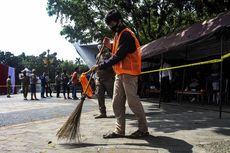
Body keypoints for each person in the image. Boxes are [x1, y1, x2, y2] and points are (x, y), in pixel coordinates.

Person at [91, 9, 149, 139]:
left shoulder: (127, 34)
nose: (111, 27)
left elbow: (119, 56)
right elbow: (117, 50)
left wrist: (100, 65)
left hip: (129, 74)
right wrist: (109, 45)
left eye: (112, 23)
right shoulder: (118, 35)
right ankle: (119, 130)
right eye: (109, 25)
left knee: (133, 102)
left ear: (119, 21)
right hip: (120, 74)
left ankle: (143, 129)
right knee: (116, 103)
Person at [86, 44, 115, 118]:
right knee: (99, 95)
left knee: (113, 95)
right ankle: (102, 112)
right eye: (98, 47)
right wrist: (89, 72)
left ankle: (118, 111)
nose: (100, 48)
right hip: (99, 78)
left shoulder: (109, 54)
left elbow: (110, 64)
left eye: (101, 46)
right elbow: (96, 66)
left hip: (109, 78)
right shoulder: (98, 55)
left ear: (104, 47)